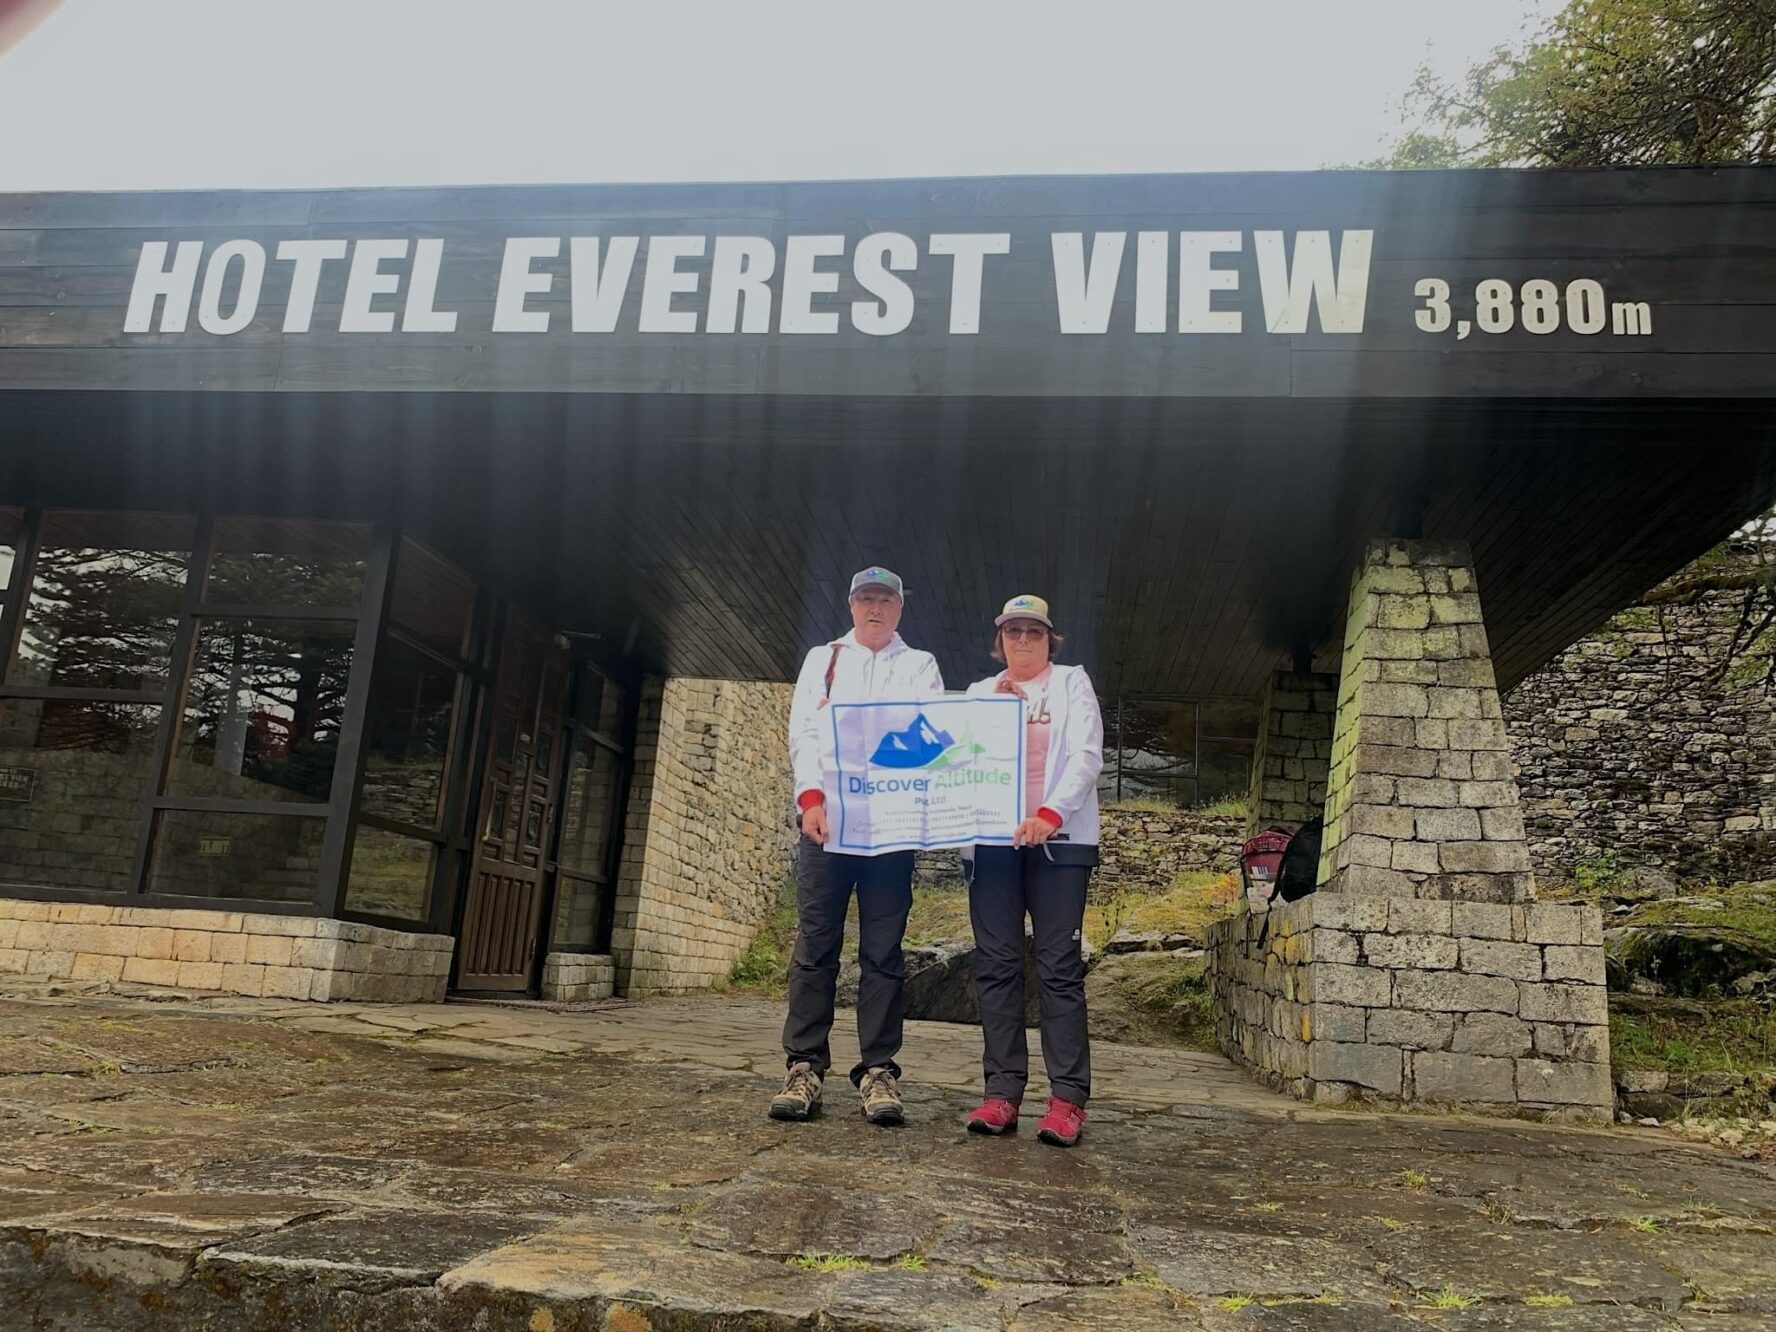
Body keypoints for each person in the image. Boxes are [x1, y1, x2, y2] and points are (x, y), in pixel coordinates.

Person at [771, 566, 944, 1126]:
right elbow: (804, 733)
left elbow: (932, 735)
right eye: (866, 598)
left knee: (883, 952)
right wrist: (810, 799)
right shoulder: (823, 660)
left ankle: (878, 1072)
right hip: (828, 825)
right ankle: (803, 1067)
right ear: (850, 605)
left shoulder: (920, 665)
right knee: (816, 944)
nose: (875, 608)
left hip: (890, 830)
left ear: (899, 609)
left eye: (886, 600)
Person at [961, 594, 1104, 1147]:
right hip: (992, 846)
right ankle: (1002, 1094)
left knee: (1058, 965)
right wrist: (988, 713)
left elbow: (1088, 755)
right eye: (1013, 631)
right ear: (1000, 641)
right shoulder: (977, 693)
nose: (1023, 640)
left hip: (1059, 844)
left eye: (1034, 632)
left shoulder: (1071, 684)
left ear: (1050, 641)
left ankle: (1068, 1099)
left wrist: (1049, 813)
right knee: (996, 966)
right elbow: (953, 760)